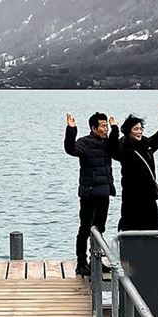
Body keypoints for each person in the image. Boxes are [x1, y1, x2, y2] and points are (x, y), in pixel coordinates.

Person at [64, 111, 119, 275]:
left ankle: (96, 261)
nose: (105, 129)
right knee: (85, 229)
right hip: (89, 194)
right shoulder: (85, 143)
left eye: (106, 126)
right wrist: (71, 129)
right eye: (103, 126)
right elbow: (70, 149)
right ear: (94, 128)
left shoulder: (107, 144)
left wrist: (115, 128)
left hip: (104, 193)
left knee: (99, 229)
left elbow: (115, 146)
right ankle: (81, 263)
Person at [115, 108, 158, 231]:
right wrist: (114, 129)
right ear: (128, 131)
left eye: (141, 129)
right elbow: (111, 149)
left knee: (153, 229)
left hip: (149, 196)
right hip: (132, 197)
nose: (139, 132)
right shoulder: (123, 147)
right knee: (130, 228)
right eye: (136, 129)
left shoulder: (146, 144)